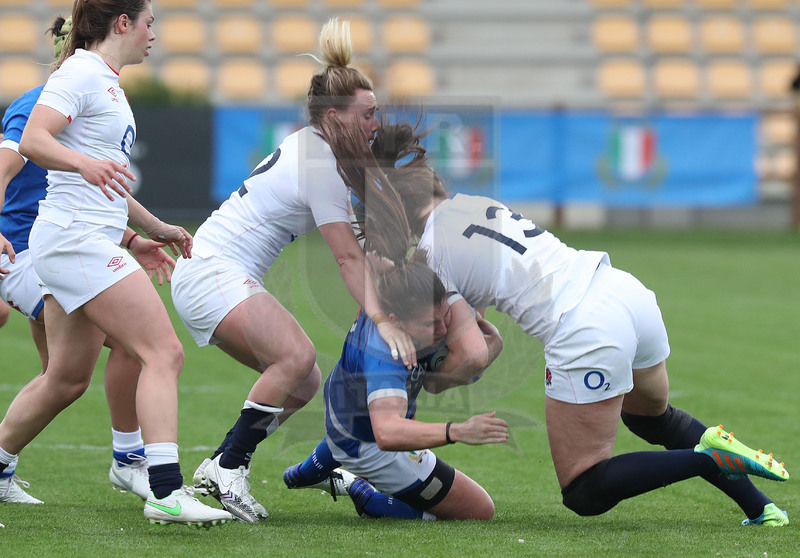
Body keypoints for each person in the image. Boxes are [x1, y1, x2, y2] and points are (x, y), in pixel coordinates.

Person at [324, 119, 791, 527]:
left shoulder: (431, 256)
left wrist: (423, 379)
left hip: (583, 327)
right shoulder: (470, 202)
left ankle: (706, 461)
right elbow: (480, 308)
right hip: (623, 292)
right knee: (653, 419)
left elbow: (470, 355)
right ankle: (763, 509)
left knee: (584, 490)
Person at [171, 18, 414, 523]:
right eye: (368, 114)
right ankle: (230, 467)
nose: (376, 123)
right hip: (210, 270)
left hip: (213, 272)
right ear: (333, 115)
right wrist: (383, 318)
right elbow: (346, 257)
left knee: (304, 381)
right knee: (295, 355)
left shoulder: (319, 150)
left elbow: (357, 245)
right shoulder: (320, 160)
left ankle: (221, 461)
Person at [0, 0, 231, 527]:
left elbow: (109, 182)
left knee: (66, 378)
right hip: (75, 243)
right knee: (163, 352)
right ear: (122, 23)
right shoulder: (81, 71)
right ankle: (165, 490)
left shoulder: (103, 81)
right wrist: (83, 162)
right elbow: (34, 140)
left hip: (73, 241)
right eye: (150, 22)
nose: (155, 33)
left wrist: (152, 230)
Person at [283, 250, 508, 520]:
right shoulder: (386, 357)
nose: (442, 330)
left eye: (444, 316)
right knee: (479, 510)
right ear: (395, 322)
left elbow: (371, 256)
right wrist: (457, 431)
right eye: (430, 323)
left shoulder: (393, 293)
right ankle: (363, 491)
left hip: (345, 406)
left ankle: (307, 470)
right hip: (369, 445)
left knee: (361, 424)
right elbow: (387, 433)